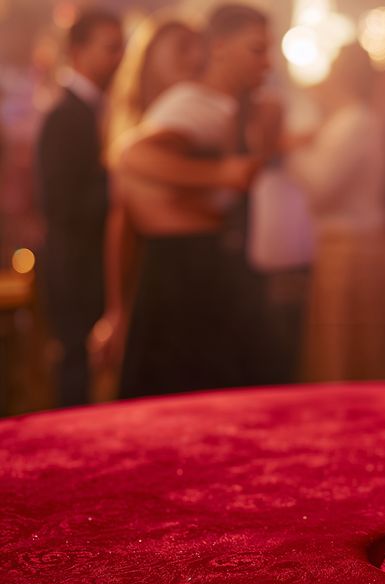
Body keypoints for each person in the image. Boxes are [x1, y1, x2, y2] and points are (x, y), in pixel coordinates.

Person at [109, 4, 270, 398]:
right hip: (180, 277)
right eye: (256, 50)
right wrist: (223, 175)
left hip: (206, 271)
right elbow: (132, 156)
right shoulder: (195, 103)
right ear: (218, 48)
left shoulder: (234, 105)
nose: (266, 62)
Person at [286, 44, 385, 381]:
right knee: (348, 350)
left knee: (349, 355)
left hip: (353, 250)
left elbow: (320, 187)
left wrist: (288, 150)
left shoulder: (355, 121)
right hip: (348, 246)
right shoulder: (350, 120)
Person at [89, 17, 203, 394]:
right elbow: (122, 221)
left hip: (204, 269)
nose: (195, 57)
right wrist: (116, 310)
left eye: (196, 46)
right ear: (150, 59)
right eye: (182, 48)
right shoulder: (134, 124)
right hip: (157, 275)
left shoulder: (204, 116)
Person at [34, 9, 124, 407]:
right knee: (77, 368)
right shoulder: (64, 114)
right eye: (110, 48)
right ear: (77, 51)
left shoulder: (100, 110)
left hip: (93, 261)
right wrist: (123, 190)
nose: (118, 58)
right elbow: (58, 203)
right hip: (75, 264)